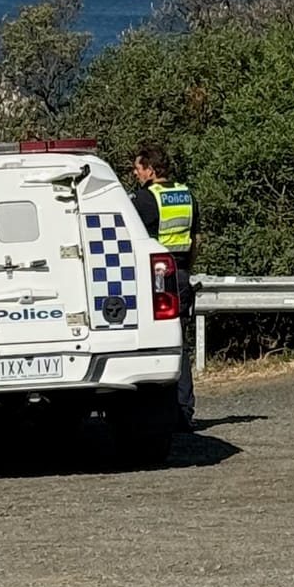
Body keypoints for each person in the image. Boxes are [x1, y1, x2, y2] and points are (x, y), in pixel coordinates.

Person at [131, 142, 196, 427]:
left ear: (151, 169)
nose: (135, 173)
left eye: (138, 168)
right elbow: (197, 240)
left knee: (150, 344)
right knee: (179, 343)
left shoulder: (146, 200)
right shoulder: (185, 194)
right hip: (180, 273)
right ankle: (184, 412)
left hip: (153, 278)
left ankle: (160, 414)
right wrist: (186, 272)